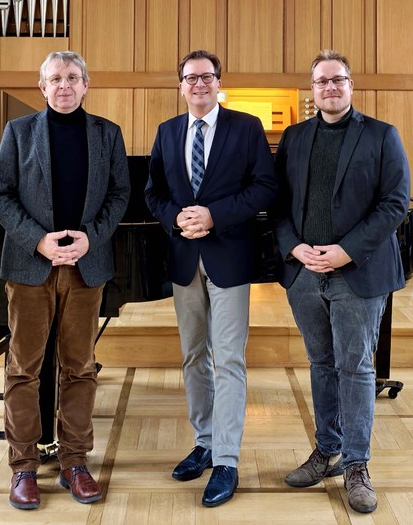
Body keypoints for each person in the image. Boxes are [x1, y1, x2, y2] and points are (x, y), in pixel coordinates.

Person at [0, 51, 129, 511]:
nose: (64, 85)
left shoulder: (107, 134)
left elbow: (119, 194)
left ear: (86, 84)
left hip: (86, 268)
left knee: (80, 367)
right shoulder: (19, 132)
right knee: (23, 368)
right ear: (42, 87)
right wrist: (39, 241)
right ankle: (24, 467)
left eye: (73, 77)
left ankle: (74, 461)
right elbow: (0, 196)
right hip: (32, 267)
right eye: (55, 79)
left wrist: (91, 238)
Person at [272, 49, 410, 515]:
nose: (330, 87)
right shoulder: (293, 138)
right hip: (305, 274)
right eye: (322, 82)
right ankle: (326, 450)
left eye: (339, 80)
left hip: (358, 271)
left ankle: (356, 465)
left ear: (351, 86)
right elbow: (278, 206)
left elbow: (394, 205)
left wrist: (345, 250)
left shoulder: (381, 136)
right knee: (321, 363)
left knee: (356, 367)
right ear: (312, 91)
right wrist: (295, 247)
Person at [145, 49, 277, 507]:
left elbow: (265, 186)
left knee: (230, 359)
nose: (198, 84)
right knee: (193, 356)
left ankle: (226, 460)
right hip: (184, 258)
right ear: (180, 85)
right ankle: (203, 442)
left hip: (230, 258)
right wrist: (176, 219)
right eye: (190, 77)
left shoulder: (246, 127)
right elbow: (153, 192)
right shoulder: (167, 132)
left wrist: (214, 215)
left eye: (207, 76)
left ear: (220, 82)